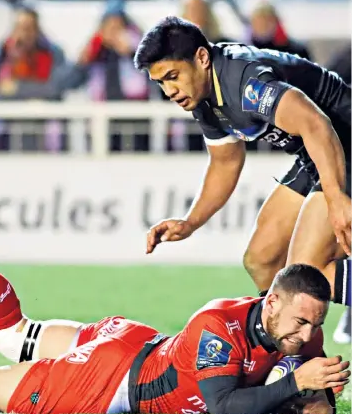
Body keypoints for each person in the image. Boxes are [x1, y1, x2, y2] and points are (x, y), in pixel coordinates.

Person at [0, 213, 348, 414]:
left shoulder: (297, 326)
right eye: (299, 323)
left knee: (13, 336)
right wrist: (294, 382)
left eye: (313, 326)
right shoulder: (218, 326)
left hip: (135, 341)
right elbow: (226, 405)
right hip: (113, 378)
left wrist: (317, 392)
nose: (307, 335)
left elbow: (315, 408)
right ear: (270, 301)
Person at [133, 17, 351, 311]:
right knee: (262, 259)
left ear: (201, 58)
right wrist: (190, 222)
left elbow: (315, 124)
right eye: (160, 82)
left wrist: (335, 196)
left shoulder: (247, 82)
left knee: (304, 273)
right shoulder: (201, 95)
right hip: (319, 153)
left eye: (173, 75)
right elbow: (226, 161)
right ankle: (297, 355)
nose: (169, 91)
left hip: (340, 144)